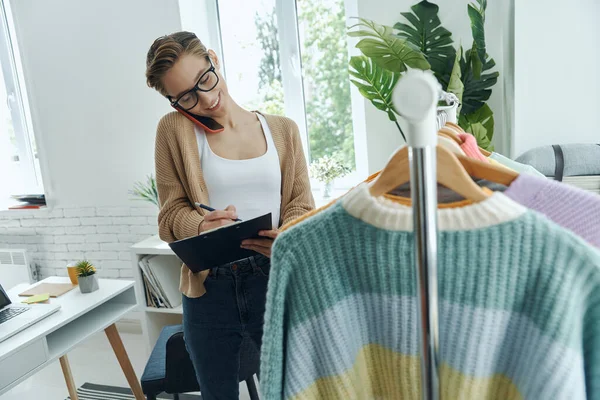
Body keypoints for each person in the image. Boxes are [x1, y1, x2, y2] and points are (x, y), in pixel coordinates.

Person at [145, 31, 314, 399]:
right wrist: (200, 224)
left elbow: (301, 205)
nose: (205, 99)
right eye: (187, 97)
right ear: (173, 102)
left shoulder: (283, 130)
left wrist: (286, 236)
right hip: (209, 291)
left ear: (213, 59)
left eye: (204, 80)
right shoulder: (173, 131)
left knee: (292, 391)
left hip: (273, 281)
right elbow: (169, 216)